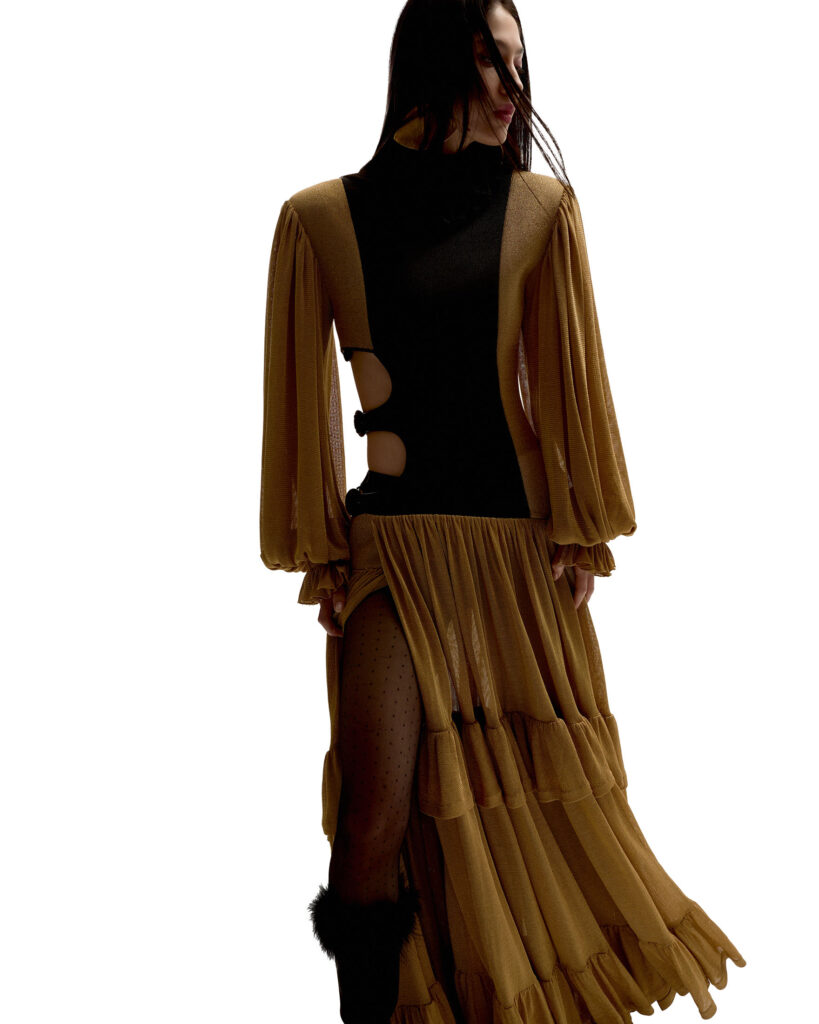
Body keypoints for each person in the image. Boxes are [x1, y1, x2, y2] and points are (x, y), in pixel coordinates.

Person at [259, 1, 747, 1021]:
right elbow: (300, 415)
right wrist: (324, 553)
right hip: (394, 552)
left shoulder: (542, 211)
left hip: (516, 557)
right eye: (489, 59)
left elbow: (568, 387)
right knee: (372, 817)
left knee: (543, 810)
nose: (511, 89)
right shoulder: (318, 221)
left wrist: (580, 528)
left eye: (519, 64)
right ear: (431, 61)